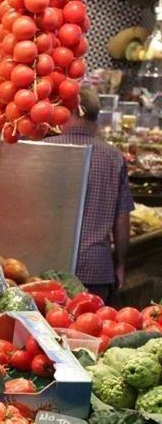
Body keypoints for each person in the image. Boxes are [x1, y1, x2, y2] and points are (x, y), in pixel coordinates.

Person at [51, 87, 133, 300]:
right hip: (96, 270)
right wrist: (121, 264)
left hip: (47, 269)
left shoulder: (43, 149)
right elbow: (122, 219)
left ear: (73, 111)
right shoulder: (115, 157)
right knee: (89, 331)